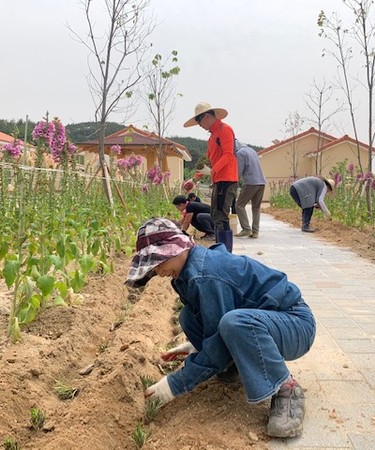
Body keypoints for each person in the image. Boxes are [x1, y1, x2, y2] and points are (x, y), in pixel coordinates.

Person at [125, 217, 316, 438]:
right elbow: (212, 322)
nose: (158, 272)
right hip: (270, 321)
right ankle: (233, 366)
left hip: (294, 322)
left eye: (158, 263)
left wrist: (174, 385)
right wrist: (194, 347)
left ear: (175, 249)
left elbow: (220, 337)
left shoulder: (204, 275)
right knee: (188, 316)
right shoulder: (186, 275)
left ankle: (287, 389)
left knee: (235, 323)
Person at [184, 102, 238, 252]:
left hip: (227, 179)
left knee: (221, 216)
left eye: (199, 121)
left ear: (207, 117)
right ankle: (221, 250)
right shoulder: (212, 137)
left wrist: (214, 170)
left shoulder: (224, 130)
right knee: (215, 215)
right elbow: (209, 162)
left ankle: (226, 253)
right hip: (218, 180)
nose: (199, 125)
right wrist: (194, 179)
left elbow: (228, 155)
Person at [234, 139, 267, 238]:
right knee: (256, 207)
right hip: (261, 181)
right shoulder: (251, 150)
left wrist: (232, 183)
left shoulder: (240, 153)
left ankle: (246, 229)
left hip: (251, 182)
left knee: (239, 205)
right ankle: (255, 231)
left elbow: (238, 172)